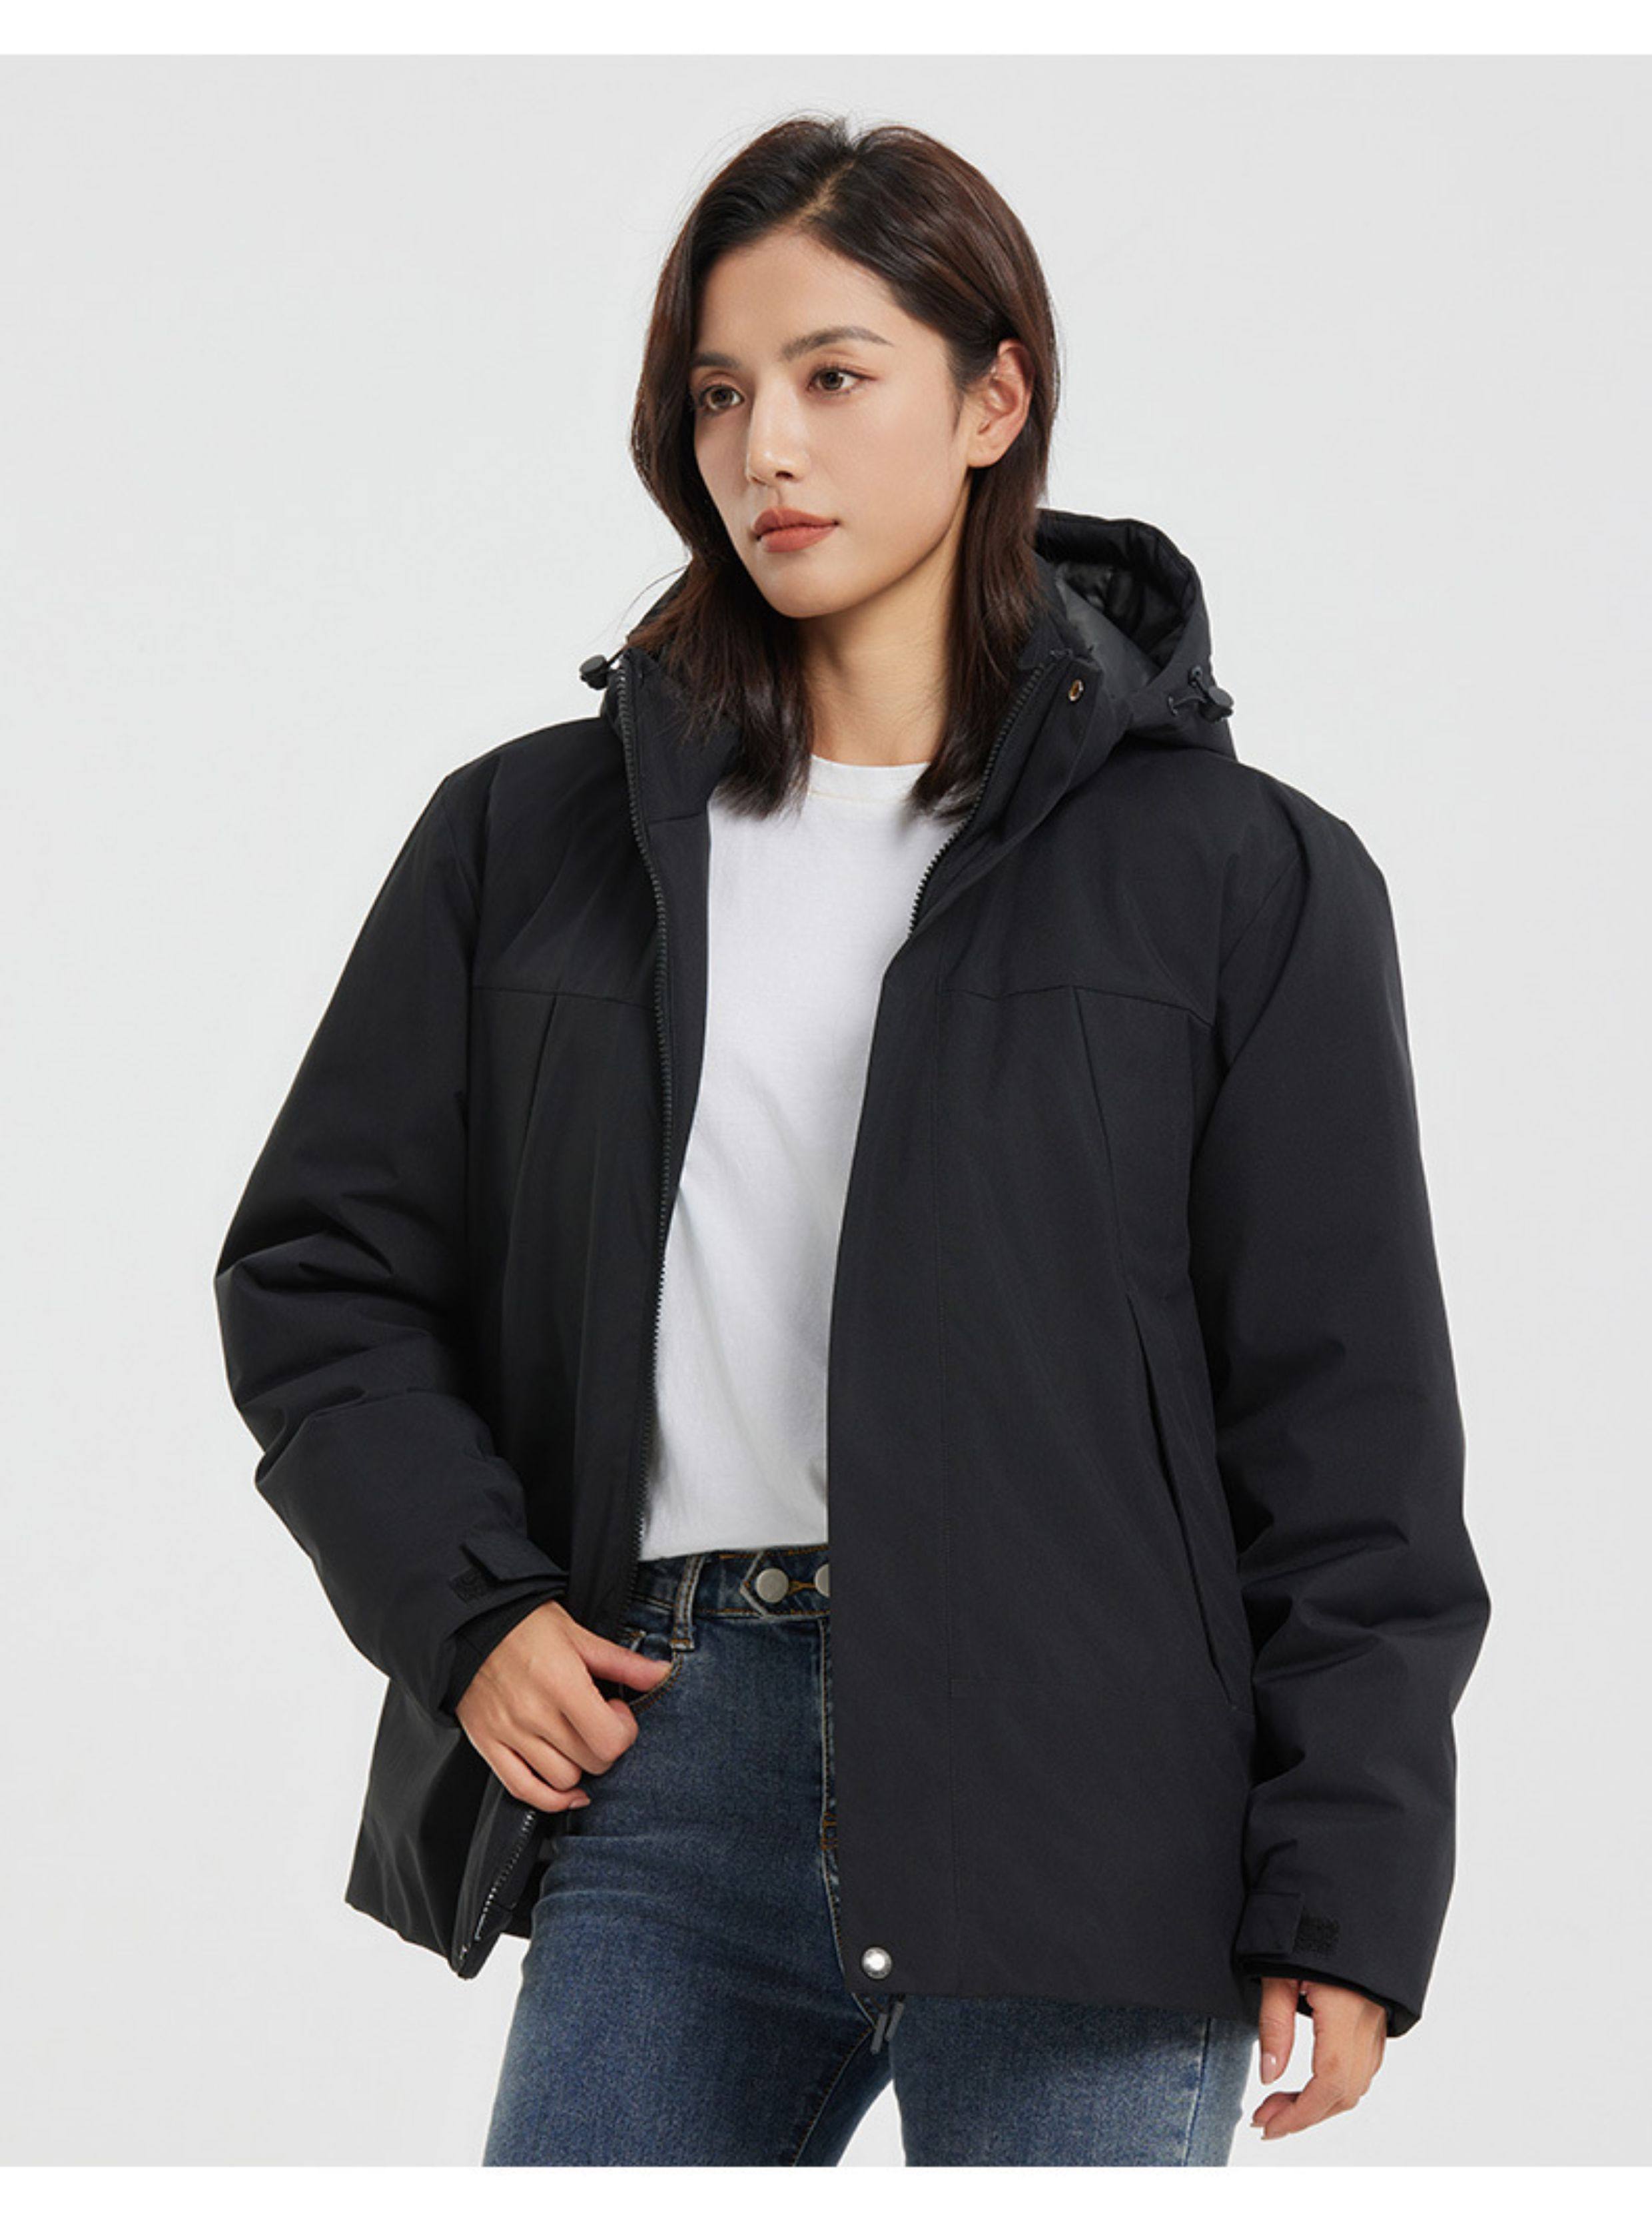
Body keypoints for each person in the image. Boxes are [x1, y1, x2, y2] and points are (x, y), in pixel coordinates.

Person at [212, 115, 1491, 2167]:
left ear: (994, 401)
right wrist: (471, 1607)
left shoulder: (1240, 877)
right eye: (720, 394)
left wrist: (1345, 1884)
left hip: (1093, 1801)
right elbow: (319, 1275)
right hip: (666, 1764)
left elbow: (1346, 1432)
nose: (766, 449)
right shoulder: (527, 839)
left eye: (834, 375)